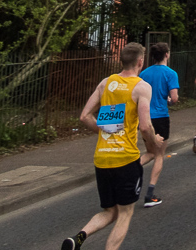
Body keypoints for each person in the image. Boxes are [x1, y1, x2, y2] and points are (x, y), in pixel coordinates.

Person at [61, 42, 159, 250]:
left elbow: (85, 116)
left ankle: (77, 238)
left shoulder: (106, 83)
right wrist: (154, 144)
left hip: (102, 159)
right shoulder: (142, 87)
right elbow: (145, 126)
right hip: (125, 159)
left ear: (122, 60)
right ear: (140, 62)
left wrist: (107, 133)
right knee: (125, 213)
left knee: (110, 211)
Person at [138, 42, 179, 207]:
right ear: (167, 55)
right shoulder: (171, 73)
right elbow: (174, 98)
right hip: (161, 117)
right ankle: (150, 194)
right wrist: (168, 101)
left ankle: (128, 170)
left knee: (150, 152)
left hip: (145, 117)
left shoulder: (144, 73)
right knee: (159, 155)